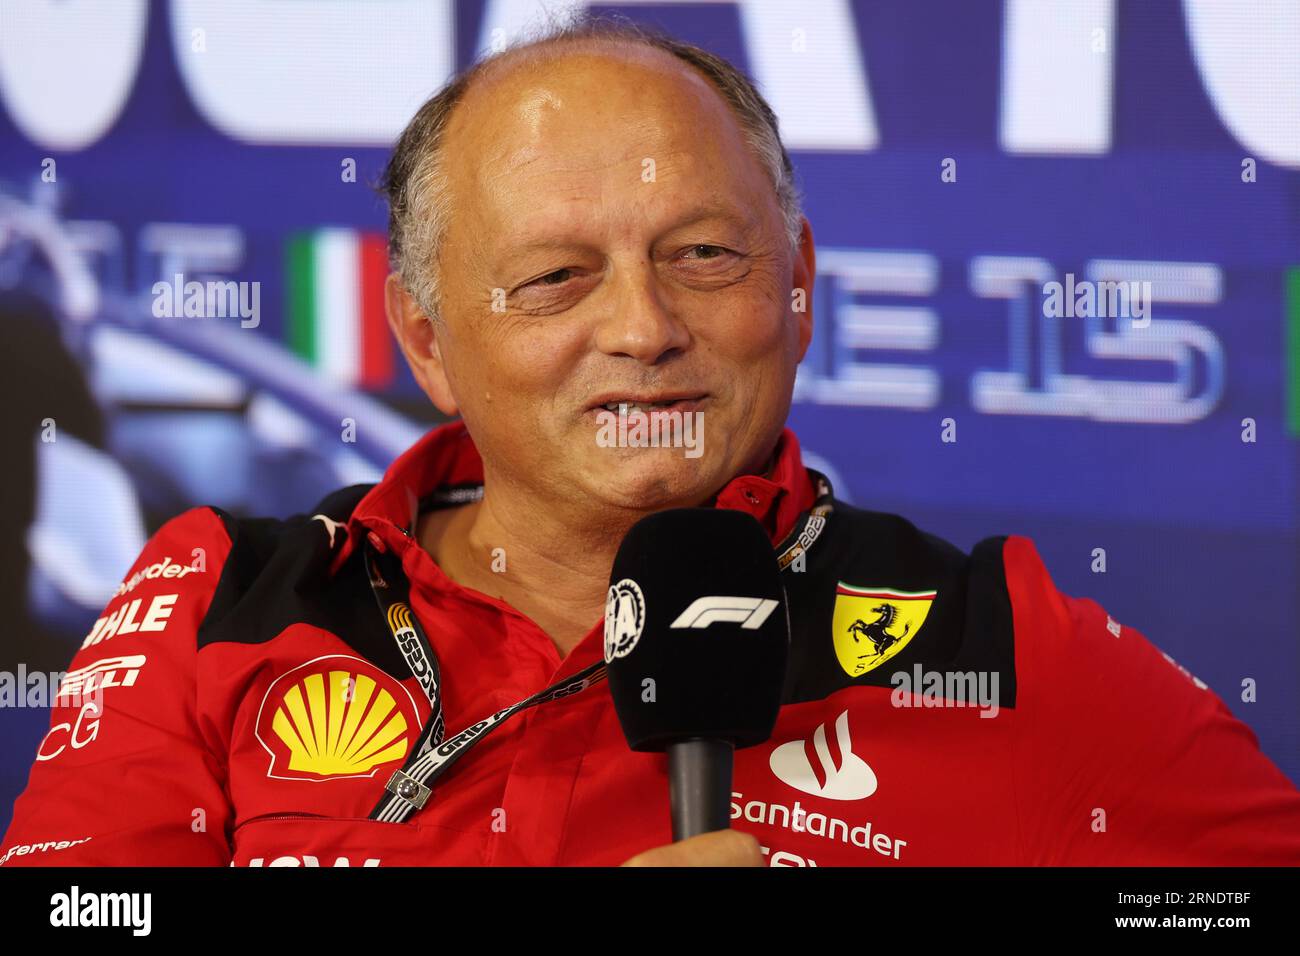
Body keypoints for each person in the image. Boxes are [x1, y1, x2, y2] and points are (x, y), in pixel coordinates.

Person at [3, 18, 1299, 868]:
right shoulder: (222, 595)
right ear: (428, 337)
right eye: (559, 276)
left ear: (798, 283)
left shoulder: (1000, 648)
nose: (644, 327)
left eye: (704, 256)